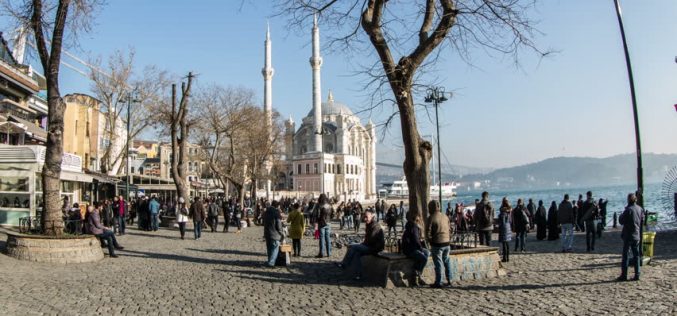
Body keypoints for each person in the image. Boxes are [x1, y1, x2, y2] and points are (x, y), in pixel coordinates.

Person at [336, 208, 384, 280]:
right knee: (356, 254)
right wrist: (361, 244)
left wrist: (361, 244)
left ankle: (344, 264)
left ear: (372, 217)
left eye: (366, 217)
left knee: (352, 247)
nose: (365, 219)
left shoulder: (375, 226)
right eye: (364, 217)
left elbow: (371, 240)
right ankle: (358, 275)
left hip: (374, 248)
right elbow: (368, 240)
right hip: (369, 245)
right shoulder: (369, 224)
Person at [617, 193, 643, 282]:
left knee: (625, 256)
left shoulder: (628, 210)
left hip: (628, 235)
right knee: (636, 255)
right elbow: (641, 222)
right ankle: (637, 274)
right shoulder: (639, 209)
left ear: (628, 200)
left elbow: (621, 221)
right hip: (636, 235)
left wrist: (621, 214)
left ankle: (624, 275)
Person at [427, 200, 453, 288]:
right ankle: (450, 279)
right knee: (447, 261)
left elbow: (428, 232)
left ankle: (439, 281)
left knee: (438, 263)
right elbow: (450, 229)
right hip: (447, 242)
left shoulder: (431, 218)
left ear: (430, 208)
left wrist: (430, 240)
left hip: (437, 243)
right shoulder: (445, 216)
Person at [401, 213, 429, 286]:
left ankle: (418, 273)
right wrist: (420, 249)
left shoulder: (410, 225)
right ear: (417, 220)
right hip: (410, 249)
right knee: (424, 259)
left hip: (411, 247)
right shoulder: (414, 226)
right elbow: (416, 240)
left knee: (427, 253)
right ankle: (417, 272)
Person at [263, 200, 284, 267]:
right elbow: (278, 224)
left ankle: (270, 260)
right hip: (274, 234)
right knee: (275, 248)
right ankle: (271, 263)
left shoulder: (266, 211)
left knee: (269, 249)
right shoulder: (276, 212)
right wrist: (281, 232)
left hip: (267, 233)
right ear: (277, 206)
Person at [315, 194, 332, 258]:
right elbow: (333, 214)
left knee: (322, 239)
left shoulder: (319, 206)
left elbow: (318, 215)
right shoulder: (329, 206)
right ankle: (329, 253)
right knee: (328, 238)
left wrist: (317, 221)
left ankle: (321, 253)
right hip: (328, 223)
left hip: (322, 223)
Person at [498, 198, 512, 262]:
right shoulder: (509, 211)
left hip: (504, 228)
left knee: (504, 244)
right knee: (507, 243)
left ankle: (504, 258)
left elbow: (503, 222)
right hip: (508, 227)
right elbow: (510, 220)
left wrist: (499, 225)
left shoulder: (503, 211)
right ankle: (508, 257)